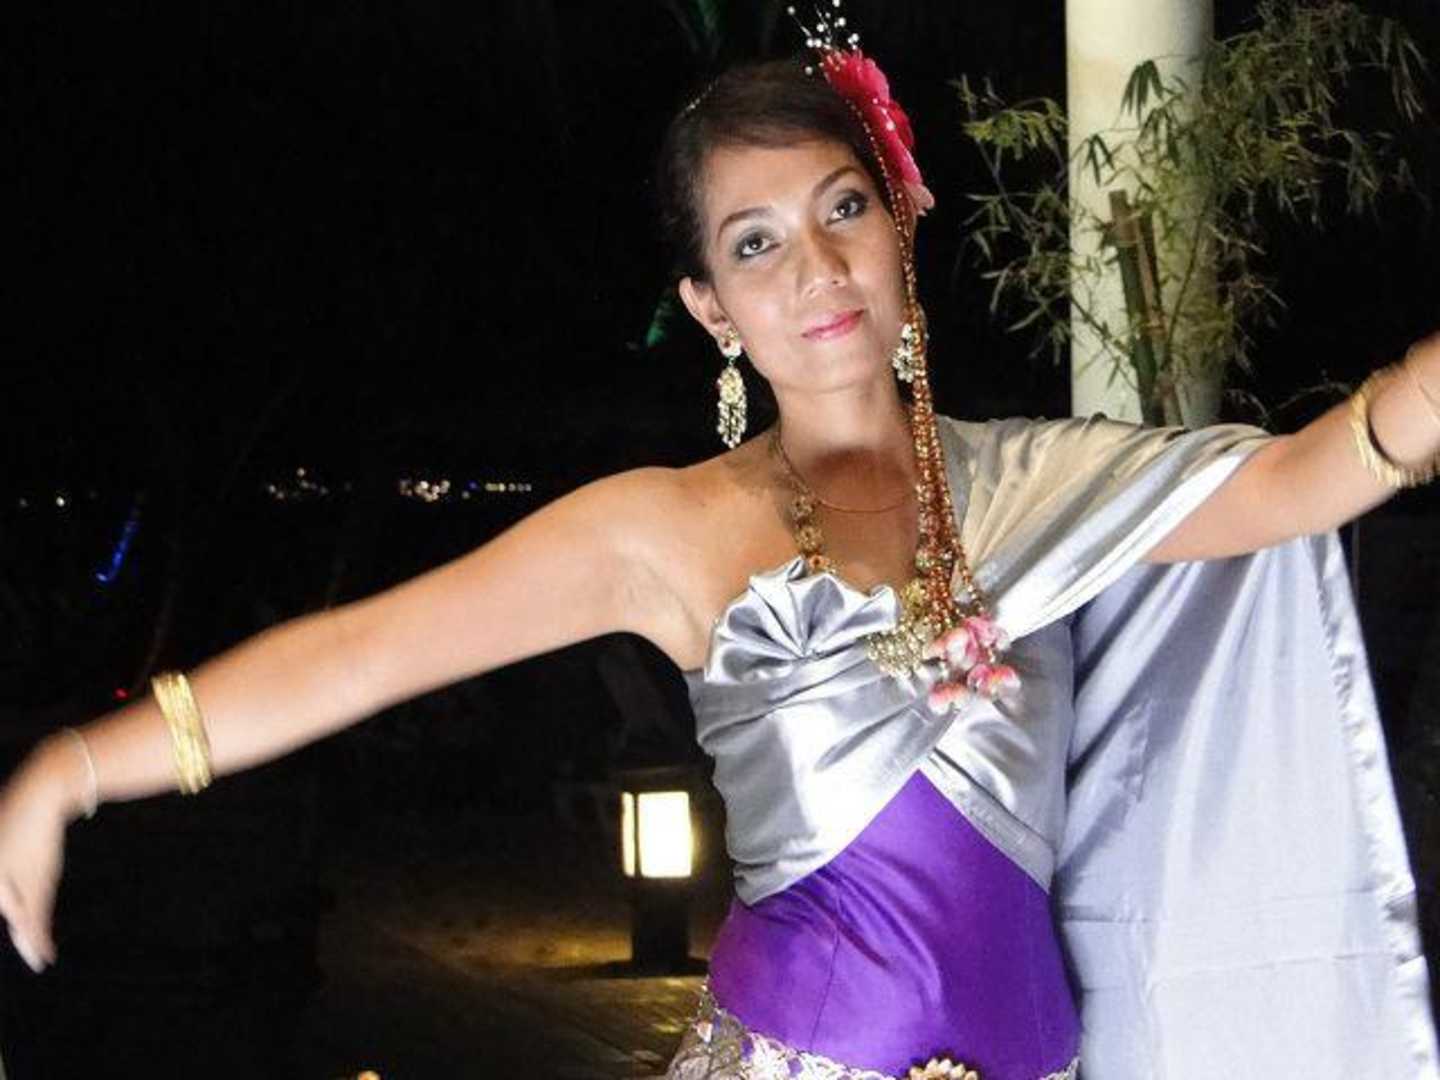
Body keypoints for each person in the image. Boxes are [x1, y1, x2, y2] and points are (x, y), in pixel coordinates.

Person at [3, 27, 1439, 1080]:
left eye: (842, 209)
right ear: (709, 309)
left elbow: (1311, 475)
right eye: (755, 245)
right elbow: (365, 654)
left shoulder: (1042, 482)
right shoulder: (667, 531)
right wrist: (75, 767)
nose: (815, 268)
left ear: (900, 223)